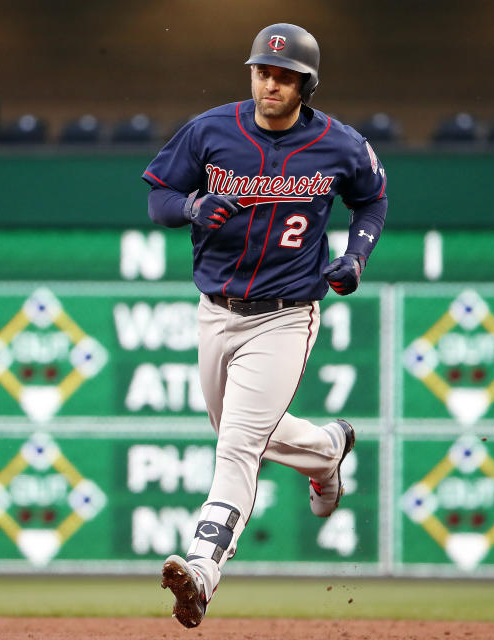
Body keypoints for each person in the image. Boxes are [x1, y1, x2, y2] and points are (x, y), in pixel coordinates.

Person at [142, 23, 388, 629]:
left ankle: (203, 568)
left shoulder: (339, 144)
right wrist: (194, 206)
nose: (270, 82)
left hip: (284, 316)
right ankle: (327, 450)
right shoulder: (211, 130)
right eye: (262, 71)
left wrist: (356, 256)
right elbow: (158, 197)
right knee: (238, 430)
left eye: (283, 75)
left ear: (305, 84)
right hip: (216, 311)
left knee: (237, 446)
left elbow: (372, 198)